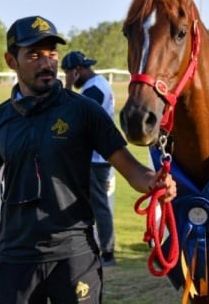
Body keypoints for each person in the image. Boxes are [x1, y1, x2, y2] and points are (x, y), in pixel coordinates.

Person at [0, 15, 176, 304]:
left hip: (74, 257)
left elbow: (132, 170)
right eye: (34, 55)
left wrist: (154, 182)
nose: (47, 64)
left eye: (52, 54)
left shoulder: (84, 111)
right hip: (15, 258)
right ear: (11, 60)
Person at [61, 51, 118, 266]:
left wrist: (67, 86)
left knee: (97, 205)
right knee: (93, 204)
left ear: (76, 71)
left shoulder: (92, 90)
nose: (67, 77)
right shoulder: (97, 84)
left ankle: (107, 252)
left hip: (95, 159)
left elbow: (70, 115)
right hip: (96, 157)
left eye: (68, 73)